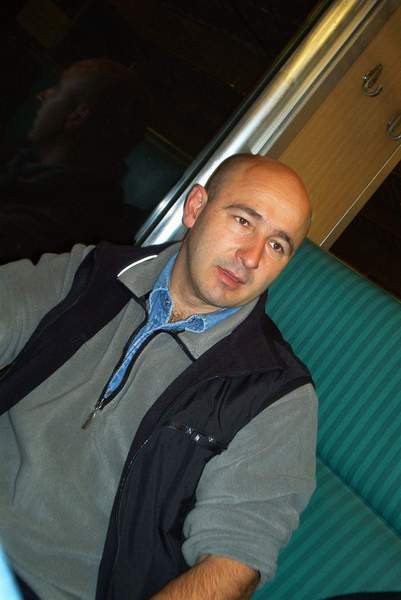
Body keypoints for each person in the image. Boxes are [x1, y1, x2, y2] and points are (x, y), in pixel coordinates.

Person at [0, 154, 317, 600]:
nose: (251, 258)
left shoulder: (274, 395)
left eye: (277, 246)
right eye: (244, 221)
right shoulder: (95, 274)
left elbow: (232, 563)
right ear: (195, 208)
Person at [0, 58, 146, 264]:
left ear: (78, 115)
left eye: (58, 89)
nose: (43, 95)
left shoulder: (53, 223)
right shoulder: (24, 174)